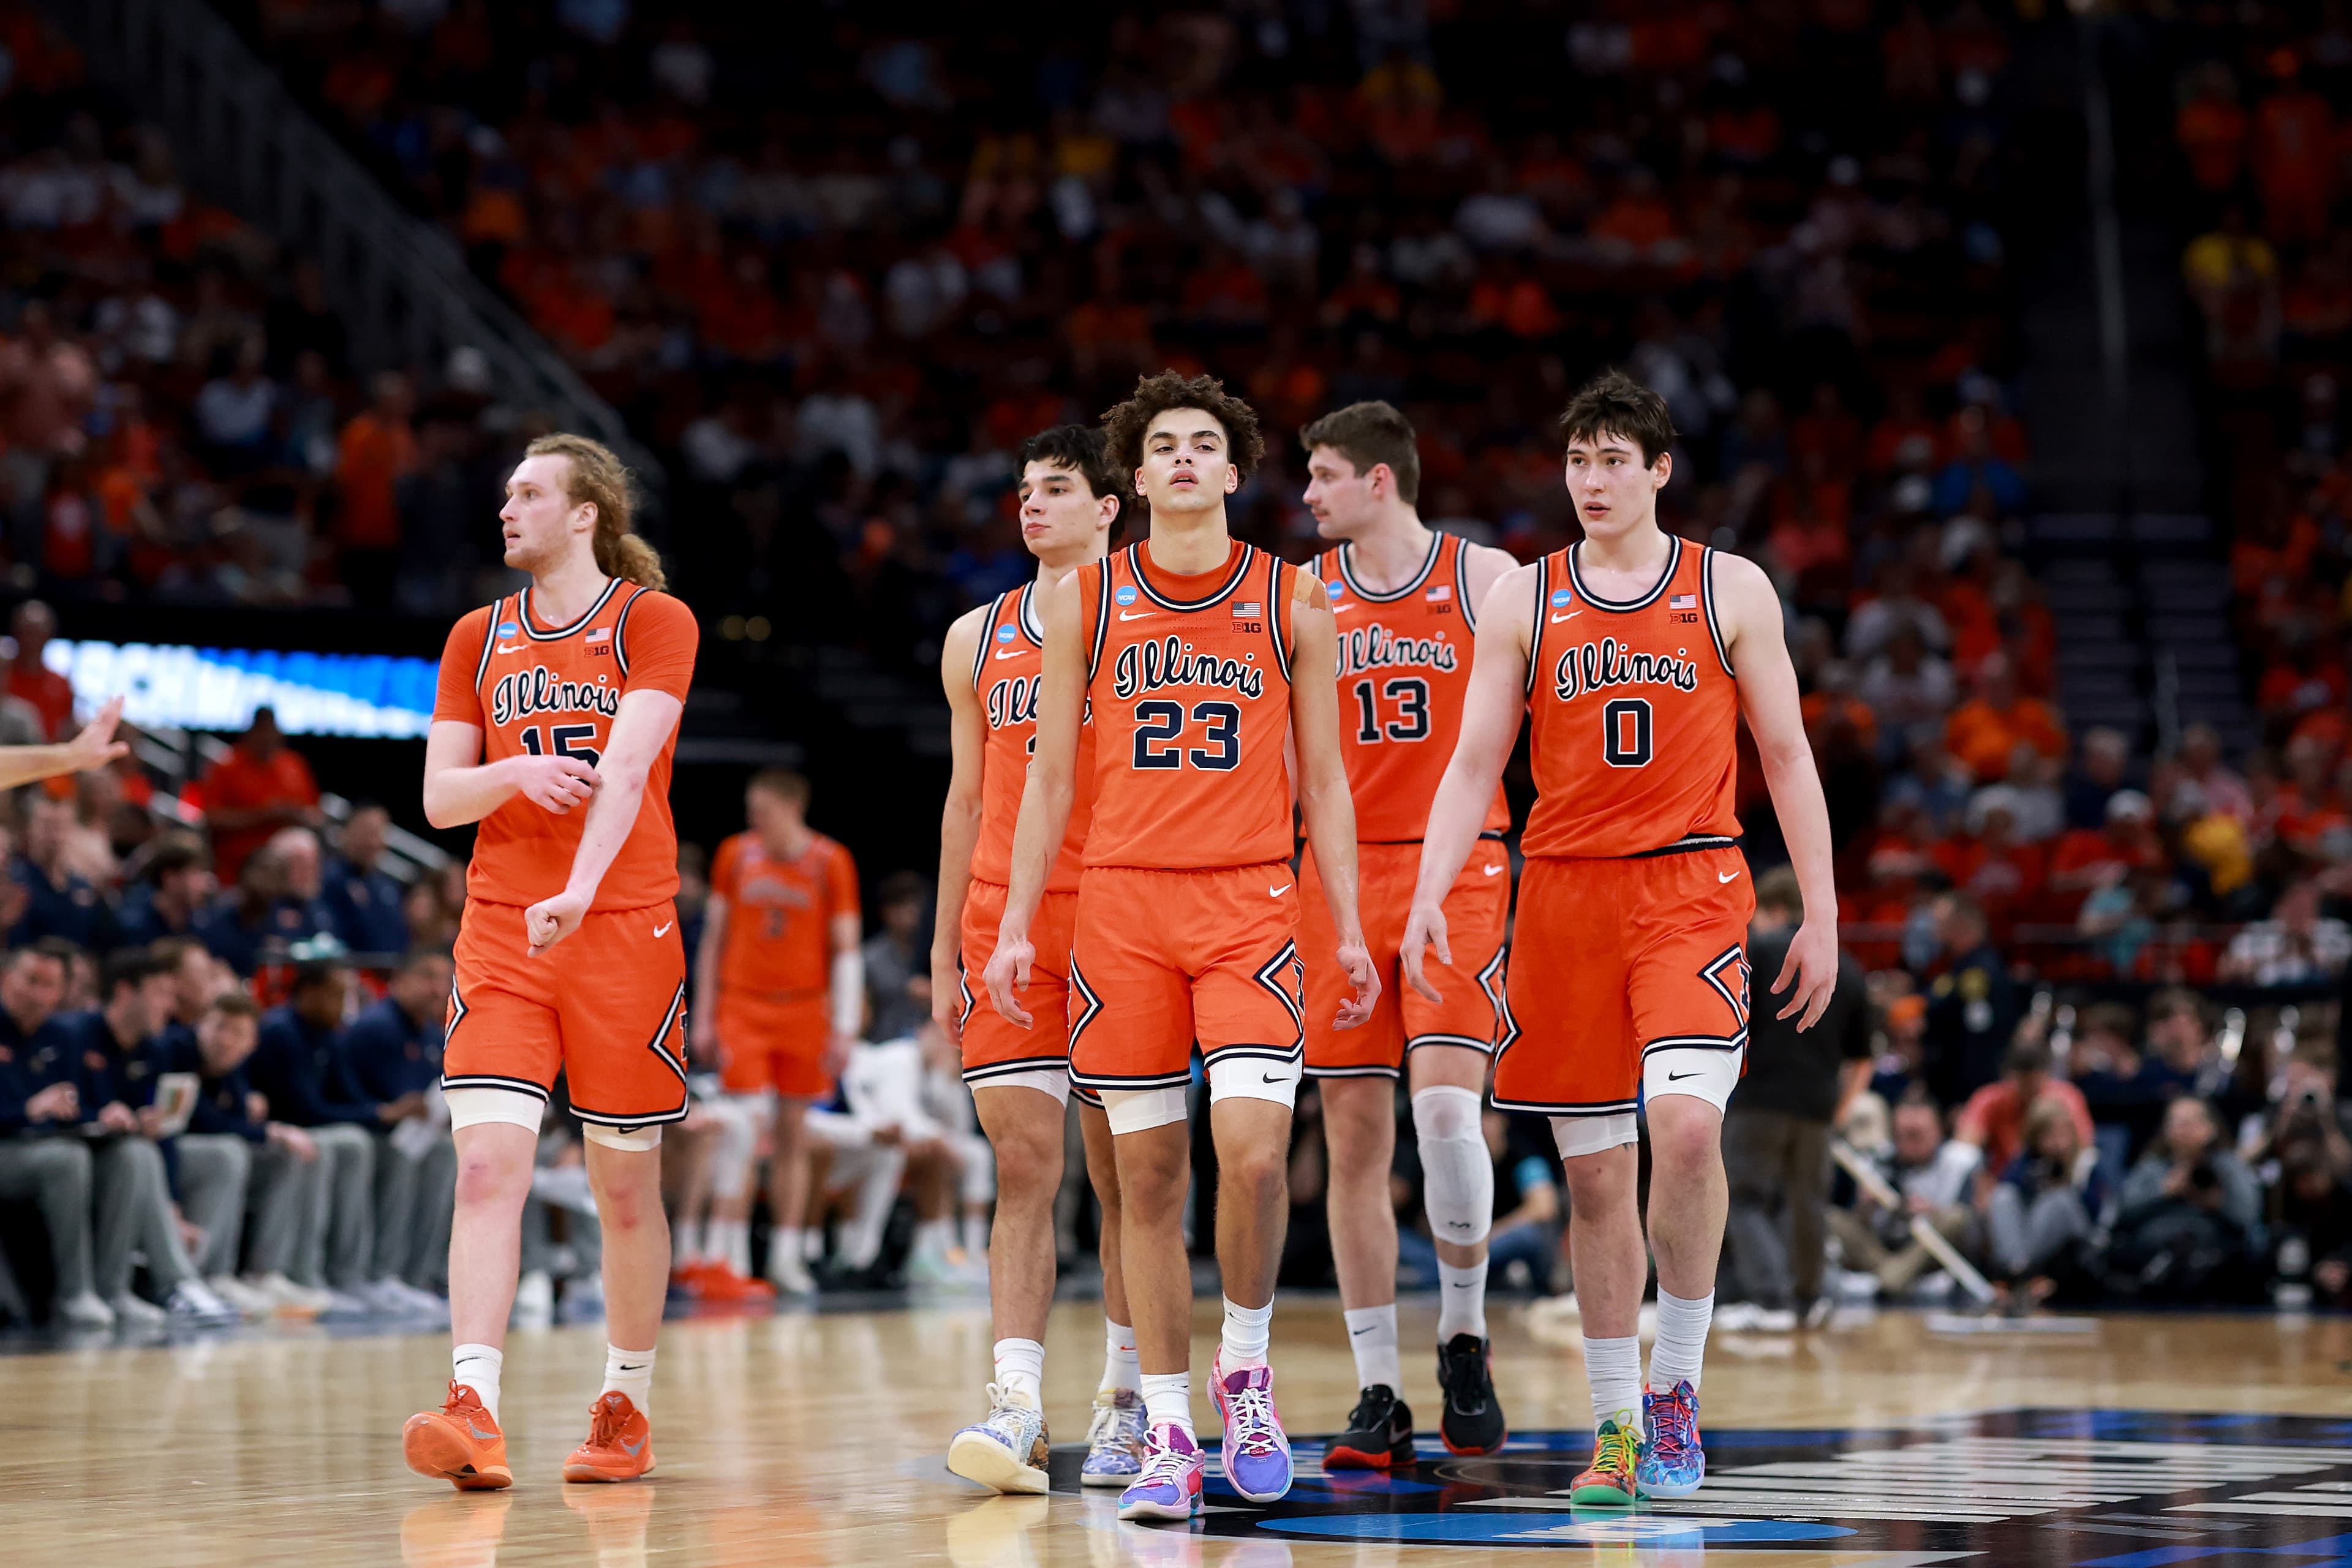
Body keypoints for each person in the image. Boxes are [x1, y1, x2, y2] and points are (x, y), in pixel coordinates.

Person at [1400, 371, 1839, 1506]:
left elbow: (1786, 758)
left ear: (1659, 470)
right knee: (1597, 1182)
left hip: (1692, 888)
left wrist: (1825, 913)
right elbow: (1470, 764)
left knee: (1687, 1135)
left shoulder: (1728, 588)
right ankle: (1612, 1426)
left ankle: (1677, 1392)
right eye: (1577, 462)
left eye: (1613, 461)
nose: (1591, 482)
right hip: (1562, 900)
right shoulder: (1524, 601)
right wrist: (1431, 891)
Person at [984, 372, 1378, 1522]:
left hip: (1250, 906)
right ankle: (1164, 1429)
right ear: (1138, 476)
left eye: (1208, 444)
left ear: (1236, 469)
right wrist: (1015, 921)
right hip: (1119, 912)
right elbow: (1049, 778)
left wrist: (1346, 922)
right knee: (1146, 1180)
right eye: (1166, 446)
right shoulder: (1088, 602)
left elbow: (1328, 783)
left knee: (1254, 1157)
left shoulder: (1292, 599)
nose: (1187, 461)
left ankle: (1244, 1375)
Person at [402, 431, 697, 1491]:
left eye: (529, 494)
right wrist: (515, 770)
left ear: (587, 514)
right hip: (503, 932)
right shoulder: (476, 639)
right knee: (487, 1169)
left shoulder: (651, 621)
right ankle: (472, 1404)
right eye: (506, 495)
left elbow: (626, 770)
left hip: (621, 929)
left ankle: (625, 1401)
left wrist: (581, 889)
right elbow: (441, 799)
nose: (506, 509)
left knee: (625, 1189)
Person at [1290, 399, 1519, 1468]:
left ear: (1379, 482)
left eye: (1324, 475)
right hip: (1337, 874)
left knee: (1441, 1113)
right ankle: (1379, 1386)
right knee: (1352, 1140)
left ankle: (1463, 1329)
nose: (1307, 494)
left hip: (1458, 865)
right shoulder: (1306, 594)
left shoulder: (1486, 579)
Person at [933, 423, 1140, 1493]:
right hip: (1001, 918)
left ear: (1111, 506)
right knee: (1024, 1168)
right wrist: (939, 947)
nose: (1032, 505)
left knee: (1120, 1176)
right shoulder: (977, 635)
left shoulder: (1154, 619)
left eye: (1056, 488)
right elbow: (966, 800)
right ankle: (1016, 1404)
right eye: (1024, 490)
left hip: (1119, 911)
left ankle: (1125, 1397)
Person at [691, 768, 861, 1298]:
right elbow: (714, 941)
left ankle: (787, 1256)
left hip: (806, 1009)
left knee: (793, 1136)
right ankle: (729, 1254)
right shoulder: (735, 855)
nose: (753, 819)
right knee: (743, 1128)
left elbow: (847, 949)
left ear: (793, 807)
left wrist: (846, 1025)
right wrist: (704, 1014)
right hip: (743, 1005)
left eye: (762, 810)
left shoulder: (830, 861)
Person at [1719, 866, 1871, 1331]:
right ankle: (1808, 1298)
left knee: (1744, 1199)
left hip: (1757, 1101)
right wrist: (1840, 1110)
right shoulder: (1848, 966)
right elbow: (1862, 1057)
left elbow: (1731, 1026)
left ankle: (1771, 1300)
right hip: (1818, 1107)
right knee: (1808, 1202)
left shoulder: (1759, 952)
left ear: (1776, 909)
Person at [250, 957, 423, 1312]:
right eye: (337, 995)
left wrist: (383, 1114)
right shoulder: (281, 1031)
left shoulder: (329, 1035)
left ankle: (370, 1275)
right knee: (344, 1144)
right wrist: (379, 1113)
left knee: (393, 1146)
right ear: (309, 993)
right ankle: (306, 1272)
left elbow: (348, 1096)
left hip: (313, 1133)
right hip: (278, 1136)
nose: (344, 1006)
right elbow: (305, 1110)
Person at [341, 949, 459, 1308]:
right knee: (405, 1155)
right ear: (399, 981)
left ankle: (418, 1276)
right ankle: (381, 1273)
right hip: (367, 1131)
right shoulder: (378, 1026)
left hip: (404, 1134)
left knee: (446, 1154)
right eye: (427, 976)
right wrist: (390, 1111)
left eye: (445, 979)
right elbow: (365, 1097)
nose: (438, 989)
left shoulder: (428, 1032)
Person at [0, 941, 108, 1327]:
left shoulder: (64, 1036)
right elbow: (34, 1109)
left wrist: (106, 1115)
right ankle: (74, 1294)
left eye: (48, 985)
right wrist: (27, 1109)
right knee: (68, 1160)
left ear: (62, 992)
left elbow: (77, 1104)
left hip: (47, 1144)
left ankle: (116, 1291)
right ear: (5, 978)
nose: (37, 993)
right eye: (29, 980)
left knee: (132, 1157)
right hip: (8, 1149)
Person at [1826, 1091, 1981, 1300]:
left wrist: (1933, 1212)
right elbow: (1856, 1221)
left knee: (1957, 1217)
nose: (1909, 1143)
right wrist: (1865, 1208)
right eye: (1902, 1135)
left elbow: (1971, 1221)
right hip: (1881, 1250)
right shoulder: (1876, 1162)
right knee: (1832, 1218)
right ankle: (1892, 1277)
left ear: (1938, 1130)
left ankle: (1892, 1279)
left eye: (1917, 1135)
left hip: (1930, 1253)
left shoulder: (1959, 1163)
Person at [1985, 1097, 2112, 1305]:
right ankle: (2017, 1268)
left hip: (2076, 1242)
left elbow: (2098, 1213)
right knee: (2003, 1196)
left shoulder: (2087, 1162)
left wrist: (2065, 1178)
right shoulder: (2027, 1163)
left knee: (2057, 1199)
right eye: (2049, 1136)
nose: (2057, 1142)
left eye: (2063, 1135)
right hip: (2030, 1241)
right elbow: (2008, 1189)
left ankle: (2019, 1274)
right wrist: (2031, 1170)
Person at [200, 707, 322, 886]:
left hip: (288, 873)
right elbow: (211, 819)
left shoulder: (294, 765)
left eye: (271, 732)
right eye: (262, 732)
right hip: (238, 870)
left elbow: (315, 815)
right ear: (250, 733)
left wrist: (293, 814)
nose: (267, 738)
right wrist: (264, 815)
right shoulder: (227, 766)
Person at [1955, 1039, 2095, 1177]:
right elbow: (1966, 1141)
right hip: (2003, 1179)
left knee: (2087, 1159)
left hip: (2055, 1176)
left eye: (2034, 1084)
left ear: (2046, 1075)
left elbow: (2083, 1143)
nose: (2028, 1091)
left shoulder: (2066, 1098)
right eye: (2023, 1084)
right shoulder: (1991, 1099)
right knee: (1959, 1155)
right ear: (2008, 1076)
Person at [323, 801, 412, 957]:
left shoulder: (388, 887)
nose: (373, 842)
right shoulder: (327, 878)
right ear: (346, 832)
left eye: (380, 834)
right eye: (367, 833)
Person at [863, 870, 931, 1043]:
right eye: (901, 904)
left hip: (932, 1048)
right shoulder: (869, 958)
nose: (911, 911)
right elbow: (861, 1016)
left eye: (916, 904)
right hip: (883, 1049)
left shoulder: (940, 952)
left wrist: (934, 995)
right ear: (886, 911)